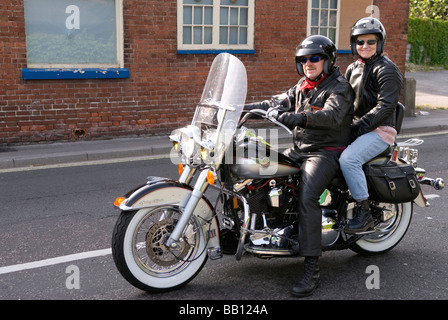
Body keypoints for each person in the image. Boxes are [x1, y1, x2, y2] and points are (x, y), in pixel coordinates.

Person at [244, 35, 354, 297]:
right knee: (260, 170)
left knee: (308, 196)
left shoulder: (339, 87)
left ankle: (312, 269)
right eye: (303, 59)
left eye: (314, 58)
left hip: (326, 152)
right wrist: (240, 109)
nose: (308, 63)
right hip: (300, 150)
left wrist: (297, 117)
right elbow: (275, 103)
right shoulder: (303, 86)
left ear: (327, 61)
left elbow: (331, 115)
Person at [340, 17, 403, 233]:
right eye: (360, 42)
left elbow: (384, 108)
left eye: (371, 42)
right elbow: (344, 101)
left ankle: (364, 211)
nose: (364, 46)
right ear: (353, 44)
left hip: (380, 131)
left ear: (380, 43)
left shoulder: (387, 70)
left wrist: (354, 130)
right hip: (358, 128)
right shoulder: (352, 69)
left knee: (349, 159)